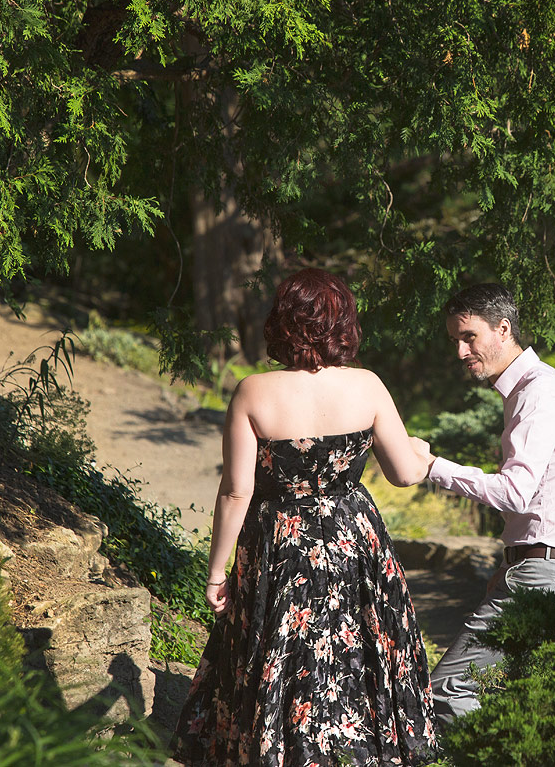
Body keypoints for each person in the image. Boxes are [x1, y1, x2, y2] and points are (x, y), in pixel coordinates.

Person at [170, 268, 438, 767]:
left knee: (279, 648)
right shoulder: (369, 386)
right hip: (353, 537)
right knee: (355, 642)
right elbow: (403, 473)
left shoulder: (253, 391)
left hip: (279, 539)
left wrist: (216, 572)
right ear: (344, 325)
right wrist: (420, 452)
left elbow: (235, 491)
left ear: (284, 323)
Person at [413, 283, 555, 724]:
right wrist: (512, 557)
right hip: (549, 566)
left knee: (445, 693)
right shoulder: (529, 390)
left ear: (503, 328)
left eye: (468, 337)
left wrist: (432, 466)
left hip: (546, 573)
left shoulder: (538, 393)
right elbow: (540, 501)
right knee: (548, 710)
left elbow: (516, 491)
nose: (459, 351)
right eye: (455, 340)